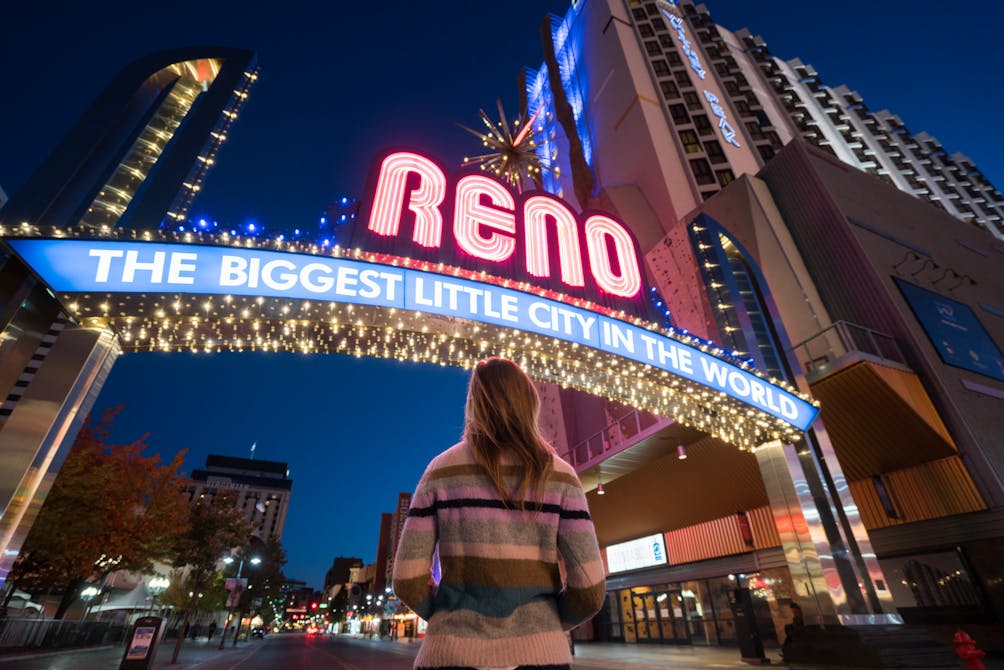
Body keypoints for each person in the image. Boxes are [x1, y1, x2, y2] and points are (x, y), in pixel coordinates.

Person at [393, 357, 606, 670]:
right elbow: (589, 591)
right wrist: (545, 623)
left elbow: (406, 580)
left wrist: (446, 616)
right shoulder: (561, 476)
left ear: (474, 404)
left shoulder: (440, 472)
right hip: (541, 656)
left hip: (450, 654)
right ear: (529, 402)